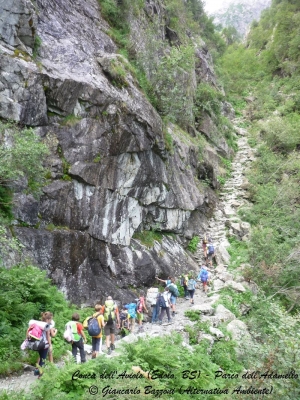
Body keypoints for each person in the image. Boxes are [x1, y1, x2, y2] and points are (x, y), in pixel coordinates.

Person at [33, 312, 52, 378]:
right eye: (50, 319)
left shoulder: (39, 323)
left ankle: (37, 371)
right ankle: (40, 376)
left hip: (38, 344)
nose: (51, 321)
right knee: (43, 360)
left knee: (41, 358)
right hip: (45, 345)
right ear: (48, 319)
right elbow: (48, 336)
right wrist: (50, 345)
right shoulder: (47, 325)